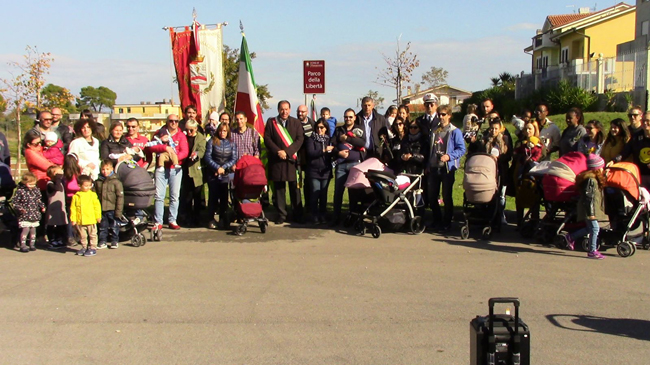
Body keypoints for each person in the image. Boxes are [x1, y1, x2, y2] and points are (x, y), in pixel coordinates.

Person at [427, 104, 466, 232]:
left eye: (443, 114)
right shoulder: (435, 130)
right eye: (439, 114)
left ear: (449, 115)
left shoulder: (455, 131)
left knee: (446, 196)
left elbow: (461, 149)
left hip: (447, 168)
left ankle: (447, 221)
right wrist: (428, 164)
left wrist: (449, 156)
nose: (441, 117)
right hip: (434, 167)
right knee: (432, 196)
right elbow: (431, 149)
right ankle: (437, 219)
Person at [265, 100, 304, 224]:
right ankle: (282, 214)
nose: (284, 111)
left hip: (291, 161)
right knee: (279, 190)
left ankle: (297, 214)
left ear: (290, 110)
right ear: (278, 110)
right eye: (282, 109)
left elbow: (300, 139)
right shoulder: (271, 122)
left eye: (286, 109)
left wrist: (286, 152)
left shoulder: (296, 122)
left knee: (295, 189)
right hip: (277, 161)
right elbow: (267, 139)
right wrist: (278, 152)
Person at [148, 114, 189, 231]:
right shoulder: (159, 133)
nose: (174, 123)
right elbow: (151, 147)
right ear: (167, 122)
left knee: (174, 197)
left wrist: (174, 157)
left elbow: (184, 152)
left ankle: (172, 220)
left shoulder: (181, 135)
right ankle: (158, 221)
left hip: (175, 169)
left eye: (176, 121)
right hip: (161, 168)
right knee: (159, 196)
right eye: (171, 121)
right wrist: (164, 147)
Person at [563, 154, 607, 259]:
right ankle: (592, 250)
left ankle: (570, 237)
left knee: (590, 228)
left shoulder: (594, 179)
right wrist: (590, 213)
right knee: (595, 228)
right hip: (588, 209)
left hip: (589, 208)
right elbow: (588, 198)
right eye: (601, 167)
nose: (603, 169)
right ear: (596, 168)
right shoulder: (591, 180)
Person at [331, 108, 365, 226]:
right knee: (338, 193)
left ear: (354, 117)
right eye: (346, 117)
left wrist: (347, 138)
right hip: (341, 165)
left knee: (353, 194)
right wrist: (338, 153)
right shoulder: (338, 130)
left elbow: (362, 143)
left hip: (354, 164)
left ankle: (353, 218)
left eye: (350, 117)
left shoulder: (359, 129)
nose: (348, 119)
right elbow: (332, 145)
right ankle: (335, 218)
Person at [204, 123, 238, 229]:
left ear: (227, 132)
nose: (222, 133)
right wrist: (217, 168)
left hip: (225, 174)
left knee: (224, 198)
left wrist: (223, 168)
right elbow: (207, 157)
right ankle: (211, 219)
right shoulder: (212, 141)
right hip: (213, 174)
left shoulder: (232, 143)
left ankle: (224, 218)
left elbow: (234, 158)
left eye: (224, 131)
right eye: (220, 131)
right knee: (213, 198)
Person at [305, 118, 334, 225]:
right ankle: (314, 215)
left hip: (325, 171)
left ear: (326, 128)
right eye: (317, 127)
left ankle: (323, 214)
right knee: (315, 192)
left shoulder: (329, 140)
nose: (319, 130)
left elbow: (333, 153)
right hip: (314, 170)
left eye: (322, 127)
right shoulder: (311, 139)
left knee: (323, 194)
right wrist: (323, 150)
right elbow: (310, 153)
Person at [179, 120, 206, 227]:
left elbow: (202, 151)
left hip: (196, 170)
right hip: (184, 169)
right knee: (187, 196)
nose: (189, 132)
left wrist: (196, 154)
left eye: (191, 130)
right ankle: (186, 218)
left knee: (197, 196)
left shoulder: (200, 138)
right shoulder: (183, 136)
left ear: (195, 129)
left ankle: (197, 219)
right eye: (187, 130)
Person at [12, 172, 45, 253]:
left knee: (33, 229)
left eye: (33, 184)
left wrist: (42, 206)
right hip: (25, 214)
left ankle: (32, 244)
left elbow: (38, 200)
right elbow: (15, 202)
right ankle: (23, 244)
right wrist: (20, 209)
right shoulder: (20, 191)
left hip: (34, 213)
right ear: (25, 183)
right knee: (25, 229)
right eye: (30, 184)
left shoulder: (36, 190)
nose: (32, 186)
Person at [70, 175, 102, 257]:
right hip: (80, 220)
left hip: (91, 219)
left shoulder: (92, 195)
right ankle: (84, 247)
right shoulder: (76, 196)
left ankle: (93, 247)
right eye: (86, 185)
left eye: (89, 185)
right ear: (80, 185)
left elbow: (97, 206)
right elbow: (73, 208)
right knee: (82, 235)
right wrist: (73, 219)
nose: (88, 187)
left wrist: (98, 216)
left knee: (92, 235)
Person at [95, 160, 124, 249]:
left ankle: (114, 241)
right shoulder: (98, 182)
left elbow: (120, 197)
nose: (105, 171)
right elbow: (94, 195)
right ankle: (102, 241)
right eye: (103, 169)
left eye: (107, 169)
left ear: (112, 169)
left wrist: (118, 211)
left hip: (113, 208)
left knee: (114, 226)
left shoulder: (116, 182)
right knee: (102, 227)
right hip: (102, 208)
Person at [619, 111, 650, 189]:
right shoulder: (636, 137)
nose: (645, 123)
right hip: (640, 175)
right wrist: (614, 160)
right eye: (643, 121)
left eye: (648, 121)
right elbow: (625, 152)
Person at [45, 165, 69, 251]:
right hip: (53, 209)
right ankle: (52, 240)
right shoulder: (50, 184)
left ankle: (60, 239)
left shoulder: (61, 183)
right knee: (52, 225)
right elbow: (57, 188)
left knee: (61, 225)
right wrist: (58, 178)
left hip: (61, 208)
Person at [297, 104, 315, 211]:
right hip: (298, 158)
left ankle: (309, 205)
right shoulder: (294, 124)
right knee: (297, 184)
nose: (300, 114)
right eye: (298, 111)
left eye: (302, 112)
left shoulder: (313, 123)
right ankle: (298, 207)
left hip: (309, 159)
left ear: (307, 112)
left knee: (309, 183)